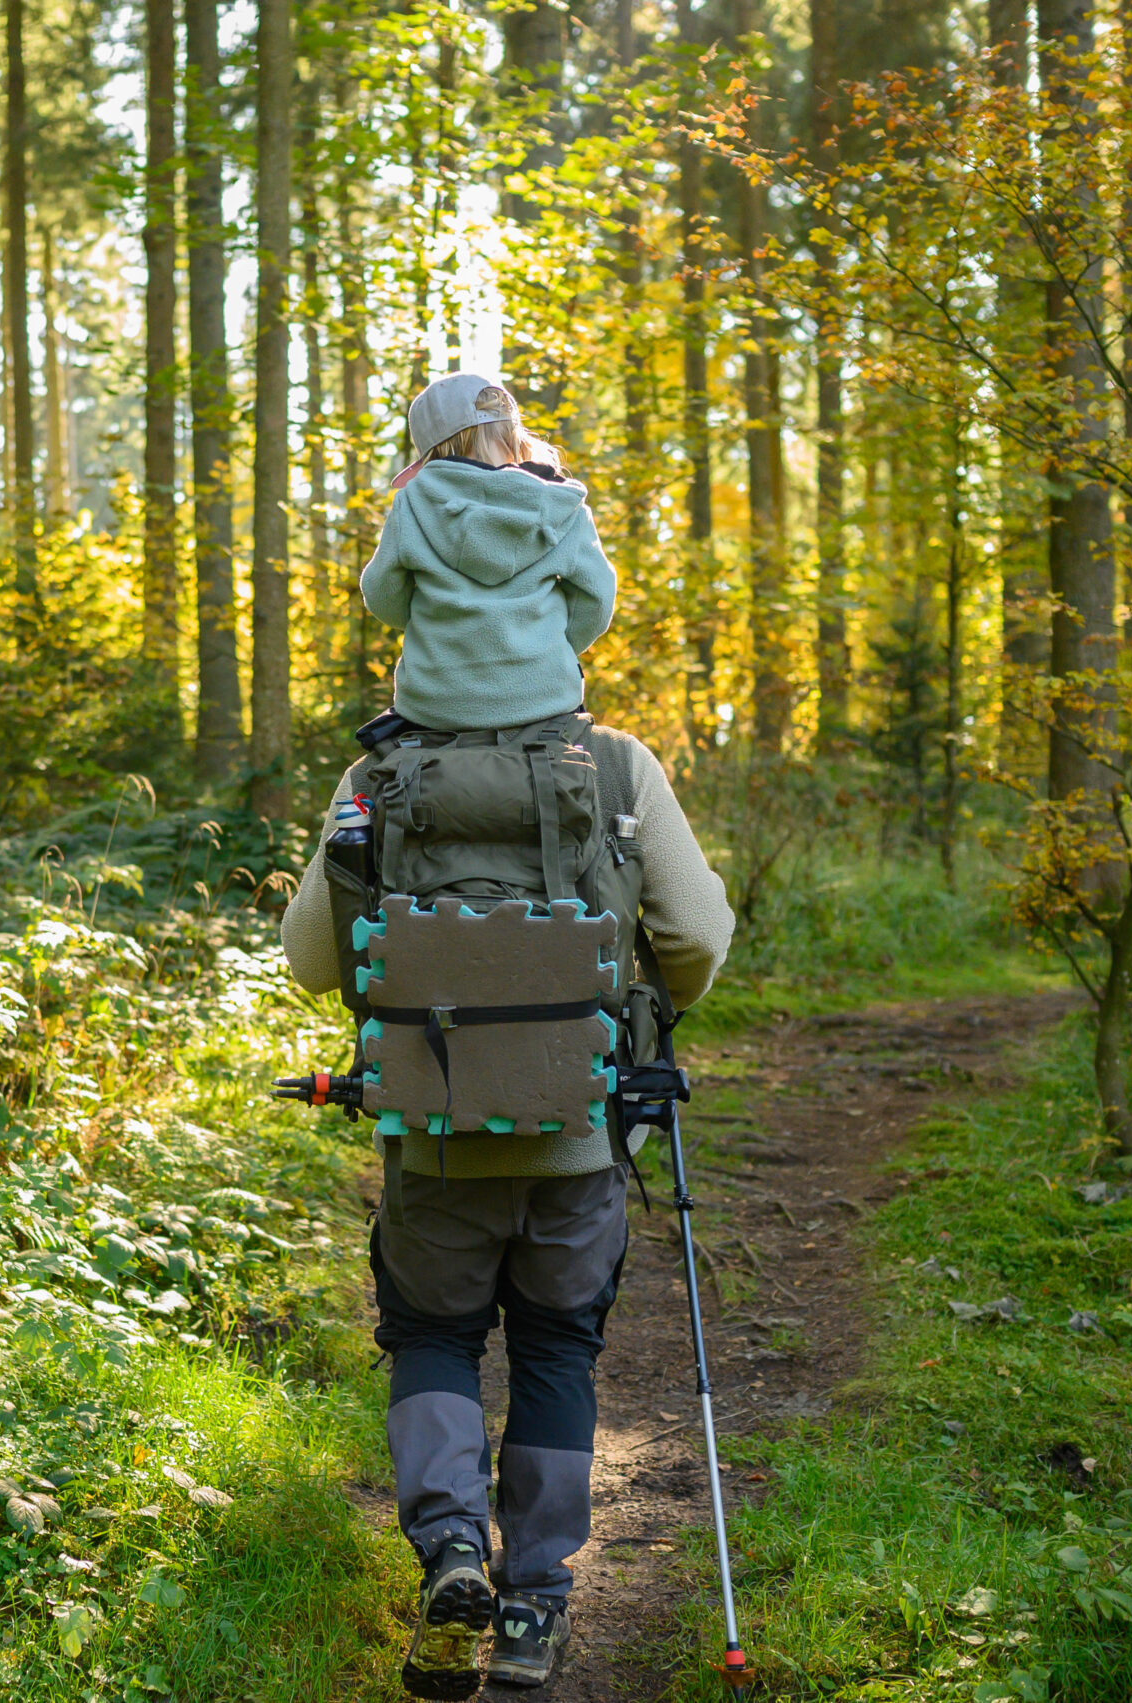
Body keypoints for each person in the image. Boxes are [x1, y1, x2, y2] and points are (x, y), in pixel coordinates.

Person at [278, 376, 734, 1698]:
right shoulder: (616, 766)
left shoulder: (376, 776)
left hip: (432, 1133)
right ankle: (534, 1600)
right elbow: (698, 938)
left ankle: (446, 1553)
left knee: (431, 1335)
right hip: (575, 1137)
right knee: (555, 1346)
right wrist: (631, 1011)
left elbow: (313, 957)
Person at [360, 372, 618, 737]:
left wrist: (432, 623)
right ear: (514, 435)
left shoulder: (412, 504)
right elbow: (598, 600)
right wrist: (551, 648)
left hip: (435, 705)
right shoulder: (563, 505)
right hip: (544, 698)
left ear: (431, 452)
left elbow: (381, 595)